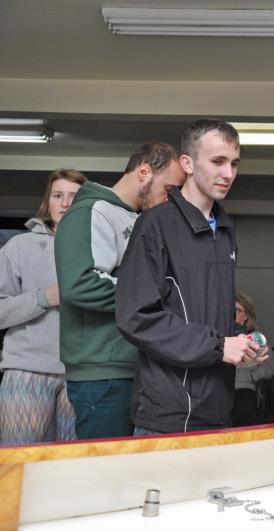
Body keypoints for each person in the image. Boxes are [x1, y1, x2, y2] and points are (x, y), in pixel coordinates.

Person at [116, 119, 263, 435]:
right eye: (217, 161)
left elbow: (204, 311)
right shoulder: (154, 226)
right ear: (188, 163)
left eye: (234, 164)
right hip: (169, 412)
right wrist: (218, 346)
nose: (229, 174)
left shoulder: (224, 230)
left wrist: (241, 341)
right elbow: (136, 317)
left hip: (218, 406)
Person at [55, 143, 185, 439]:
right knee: (103, 475)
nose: (171, 199)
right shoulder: (90, 212)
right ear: (144, 172)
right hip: (102, 372)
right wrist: (151, 295)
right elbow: (80, 284)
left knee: (126, 472)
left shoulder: (136, 219)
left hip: (131, 368)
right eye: (169, 189)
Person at [0, 169, 86, 444]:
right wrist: (43, 297)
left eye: (74, 196)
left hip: (80, 374)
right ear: (48, 202)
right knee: (18, 462)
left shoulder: (100, 250)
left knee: (69, 466)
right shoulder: (19, 246)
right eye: (58, 195)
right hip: (27, 371)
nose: (65, 203)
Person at [232, 293, 274, 426]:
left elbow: (269, 368)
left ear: (246, 315)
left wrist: (252, 375)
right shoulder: (221, 337)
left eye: (238, 311)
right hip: (221, 389)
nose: (234, 315)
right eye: (232, 311)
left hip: (244, 389)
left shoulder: (257, 339)